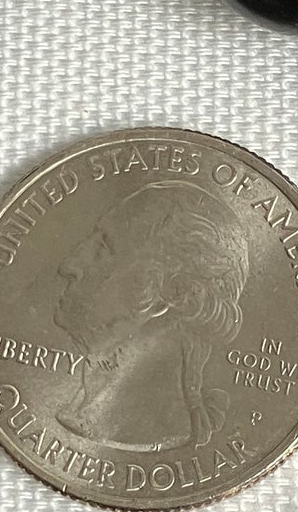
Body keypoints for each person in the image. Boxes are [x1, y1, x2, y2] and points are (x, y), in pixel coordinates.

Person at [52, 180, 250, 453]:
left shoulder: (135, 433)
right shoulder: (82, 407)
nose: (69, 266)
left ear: (175, 291)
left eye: (104, 249)